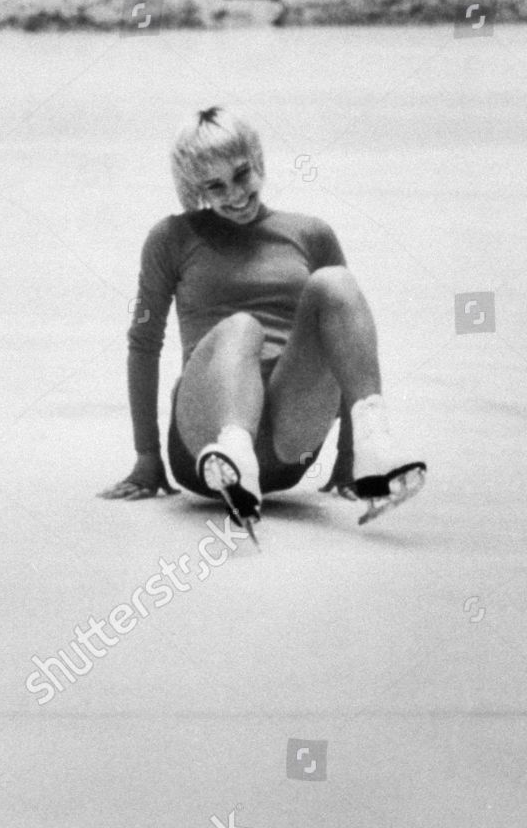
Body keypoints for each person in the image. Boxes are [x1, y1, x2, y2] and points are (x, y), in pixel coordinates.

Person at [99, 108, 426, 531]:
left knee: (336, 283)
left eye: (241, 175)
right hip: (204, 441)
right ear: (194, 188)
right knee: (242, 327)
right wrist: (147, 458)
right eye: (214, 186)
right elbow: (144, 343)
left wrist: (344, 462)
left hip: (289, 442)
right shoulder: (171, 238)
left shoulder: (311, 234)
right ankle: (235, 452)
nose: (235, 195)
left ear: (257, 159)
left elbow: (345, 341)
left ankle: (373, 447)